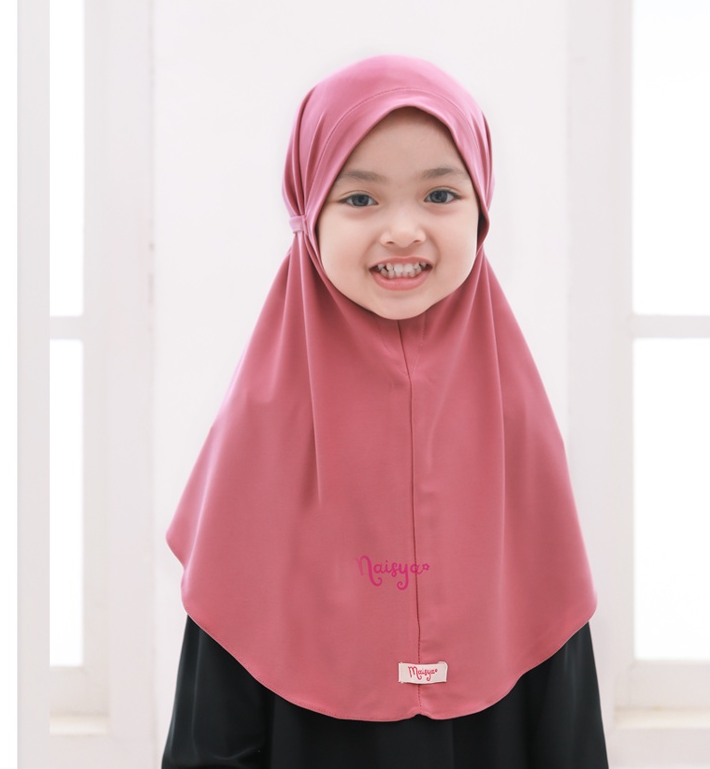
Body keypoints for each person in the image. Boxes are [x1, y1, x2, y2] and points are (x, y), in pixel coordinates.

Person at [163, 55, 609, 768]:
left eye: (440, 194)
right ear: (309, 209)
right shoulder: (261, 425)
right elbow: (217, 705)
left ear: (482, 208)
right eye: (361, 199)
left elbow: (560, 688)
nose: (403, 230)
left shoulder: (515, 417)